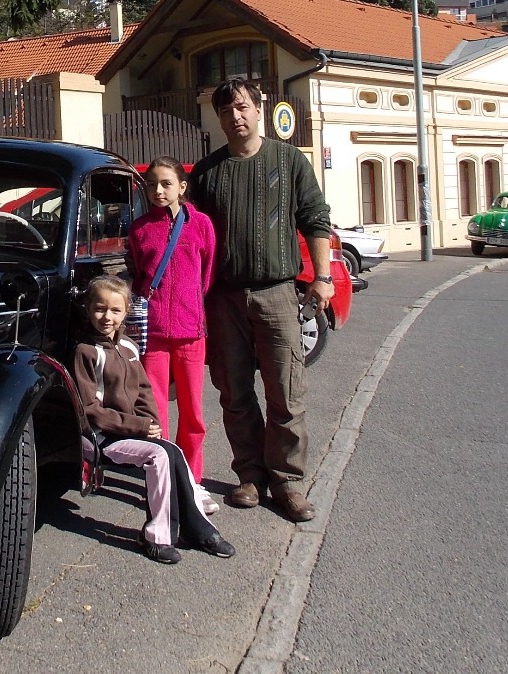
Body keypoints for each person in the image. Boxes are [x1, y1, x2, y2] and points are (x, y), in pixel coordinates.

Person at [189, 78, 333, 523]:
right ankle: (250, 476)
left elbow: (316, 218)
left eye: (242, 107)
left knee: (286, 393)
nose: (235, 116)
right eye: (226, 111)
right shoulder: (207, 172)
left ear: (258, 108)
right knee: (234, 392)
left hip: (276, 294)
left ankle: (288, 483)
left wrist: (323, 277)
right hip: (224, 297)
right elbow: (191, 236)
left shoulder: (289, 161)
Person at [70, 275, 236, 564]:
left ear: (126, 312)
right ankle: (155, 537)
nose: (107, 317)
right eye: (99, 309)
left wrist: (151, 424)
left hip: (128, 432)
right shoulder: (85, 352)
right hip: (100, 437)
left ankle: (197, 528)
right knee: (158, 457)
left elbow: (144, 391)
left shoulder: (129, 347)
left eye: (115, 310)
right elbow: (89, 410)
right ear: (88, 309)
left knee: (173, 451)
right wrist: (139, 426)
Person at [128, 156, 219, 515]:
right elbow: (139, 274)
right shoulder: (139, 229)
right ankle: (162, 482)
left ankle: (193, 481)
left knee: (193, 413)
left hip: (191, 333)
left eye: (166, 183)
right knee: (155, 416)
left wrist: (190, 307)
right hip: (152, 335)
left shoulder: (201, 225)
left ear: (182, 186)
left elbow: (207, 274)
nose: (158, 190)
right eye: (151, 184)